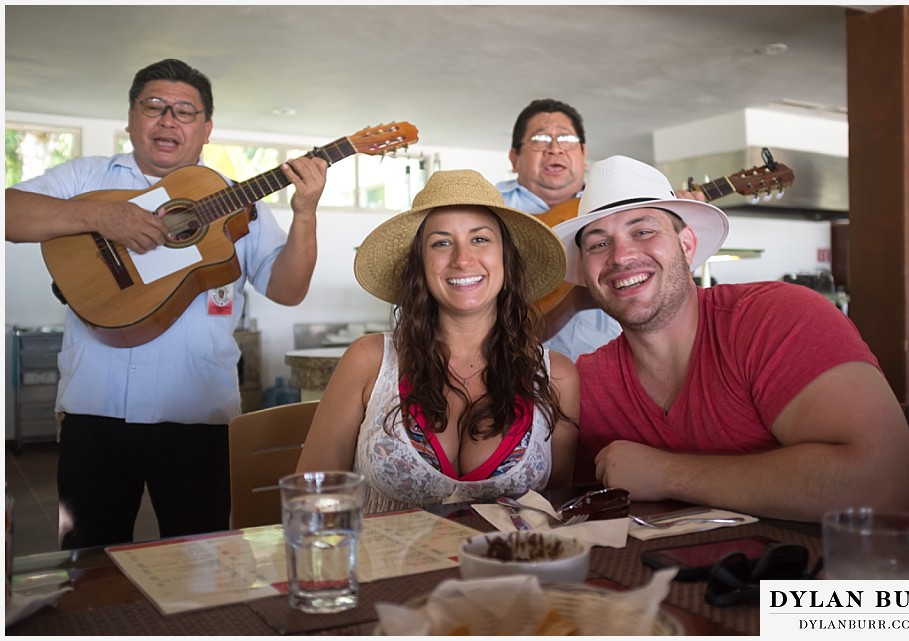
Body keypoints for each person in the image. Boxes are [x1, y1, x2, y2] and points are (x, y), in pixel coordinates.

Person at [5, 58, 328, 549]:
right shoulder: (87, 176)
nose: (168, 119)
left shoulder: (239, 201)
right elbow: (9, 214)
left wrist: (304, 214)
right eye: (153, 106)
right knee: (86, 564)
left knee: (201, 562)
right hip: (94, 412)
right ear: (132, 118)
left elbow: (287, 289)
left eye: (184, 111)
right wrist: (102, 215)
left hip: (198, 418)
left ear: (206, 128)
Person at [552, 155, 909, 548]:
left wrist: (664, 472)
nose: (621, 256)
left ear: (687, 246)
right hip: (736, 587)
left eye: (643, 231)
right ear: (586, 273)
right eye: (599, 243)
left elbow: (882, 488)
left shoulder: (776, 318)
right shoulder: (588, 383)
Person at [296, 169, 579, 514]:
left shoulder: (558, 378)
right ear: (420, 266)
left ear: (506, 259)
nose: (462, 260)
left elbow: (558, 513)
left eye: (480, 239)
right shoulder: (368, 360)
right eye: (441, 242)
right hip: (382, 568)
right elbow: (310, 500)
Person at [497, 99, 621, 362]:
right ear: (514, 157)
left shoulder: (618, 208)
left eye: (566, 138)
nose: (555, 148)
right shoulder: (485, 207)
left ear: (583, 154)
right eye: (540, 138)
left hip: (605, 374)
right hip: (502, 373)